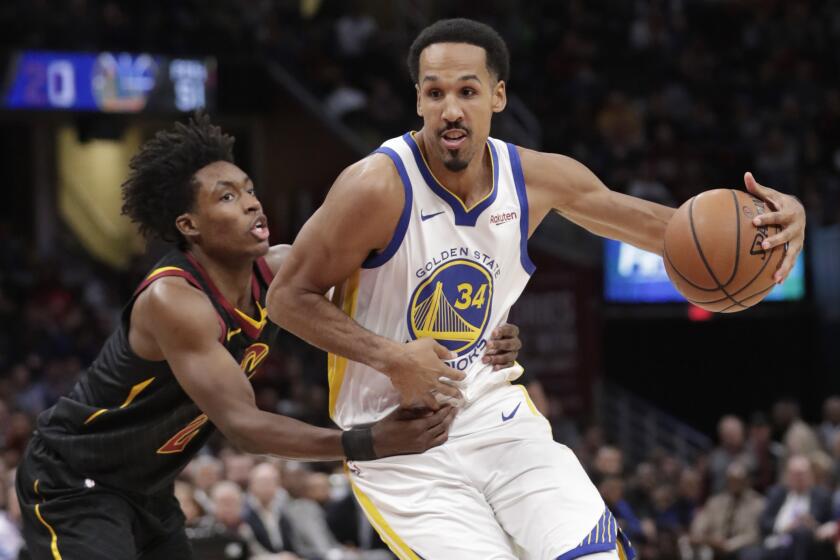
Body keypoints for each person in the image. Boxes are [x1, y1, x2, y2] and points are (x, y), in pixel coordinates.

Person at [267, 18, 806, 560]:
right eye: (435, 93)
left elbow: (673, 232)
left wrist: (777, 231)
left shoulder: (535, 179)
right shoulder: (376, 186)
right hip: (397, 444)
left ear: (498, 96)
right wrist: (390, 357)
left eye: (467, 91)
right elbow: (288, 298)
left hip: (493, 419)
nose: (451, 108)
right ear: (419, 101)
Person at [14, 114, 524, 559]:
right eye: (228, 197)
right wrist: (367, 443)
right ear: (189, 225)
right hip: (74, 480)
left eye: (249, 189)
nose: (252, 205)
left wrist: (483, 337)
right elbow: (244, 426)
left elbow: (394, 318)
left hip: (147, 486)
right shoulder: (175, 302)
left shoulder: (281, 272)